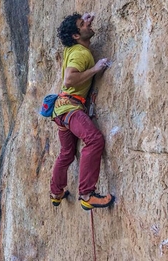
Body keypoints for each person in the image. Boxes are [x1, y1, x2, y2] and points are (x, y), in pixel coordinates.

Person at [49, 12, 115, 210]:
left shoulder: (71, 48)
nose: (88, 24)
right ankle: (87, 194)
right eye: (83, 24)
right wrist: (95, 69)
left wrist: (83, 23)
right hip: (71, 109)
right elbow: (69, 79)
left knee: (67, 154)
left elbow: (71, 39)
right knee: (94, 140)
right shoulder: (81, 54)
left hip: (60, 111)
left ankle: (56, 192)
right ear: (76, 36)